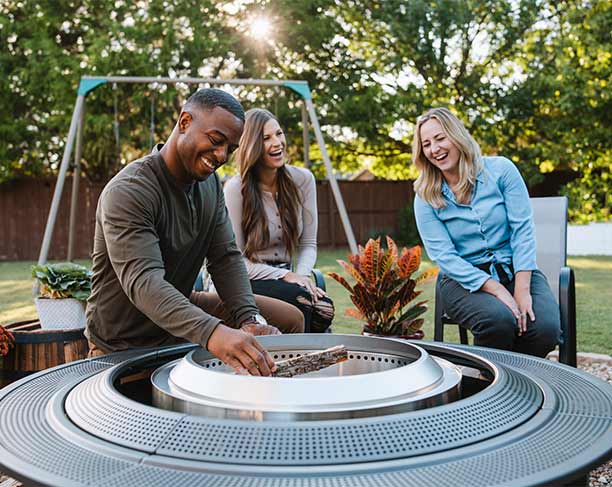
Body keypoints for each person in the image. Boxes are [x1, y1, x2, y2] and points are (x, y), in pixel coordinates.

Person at [85, 88, 305, 376]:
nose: (222, 155)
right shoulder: (130, 191)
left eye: (230, 148)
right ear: (185, 122)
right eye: (216, 141)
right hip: (124, 339)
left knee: (289, 319)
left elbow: (225, 257)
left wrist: (248, 318)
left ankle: (266, 408)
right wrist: (214, 333)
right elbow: (145, 283)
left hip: (180, 305)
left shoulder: (209, 185)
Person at [412, 107, 560, 358]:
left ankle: (517, 385)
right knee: (498, 321)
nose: (434, 149)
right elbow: (444, 257)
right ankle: (490, 388)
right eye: (426, 144)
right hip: (463, 280)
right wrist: (499, 290)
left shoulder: (501, 170)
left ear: (457, 135)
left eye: (440, 138)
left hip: (517, 269)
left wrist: (521, 290)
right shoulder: (425, 196)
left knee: (545, 329)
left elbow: (522, 230)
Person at [224, 108, 334, 333]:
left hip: (289, 278)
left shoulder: (303, 180)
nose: (277, 143)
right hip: (246, 282)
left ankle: (308, 362)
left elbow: (308, 244)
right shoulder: (236, 189)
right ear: (252, 146)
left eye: (279, 134)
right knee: (300, 301)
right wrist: (286, 275)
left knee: (324, 309)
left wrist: (302, 276)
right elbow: (235, 262)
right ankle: (290, 361)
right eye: (266, 138)